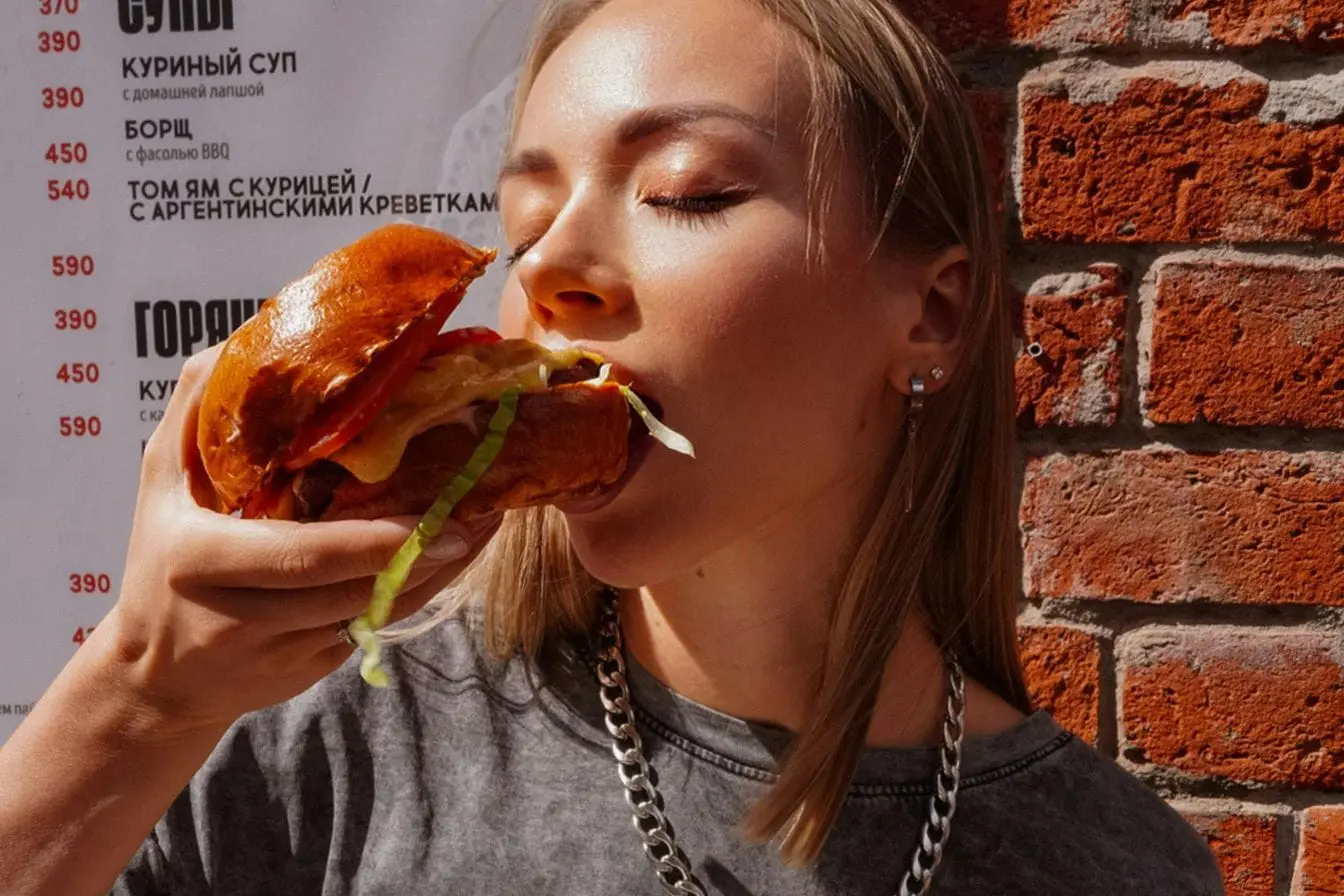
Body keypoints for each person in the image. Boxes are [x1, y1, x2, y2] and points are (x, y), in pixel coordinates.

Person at [0, 0, 1226, 893]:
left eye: (687, 190)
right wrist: (135, 696)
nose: (552, 268)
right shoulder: (324, 737)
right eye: (525, 219)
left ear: (934, 312)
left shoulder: (1116, 863)